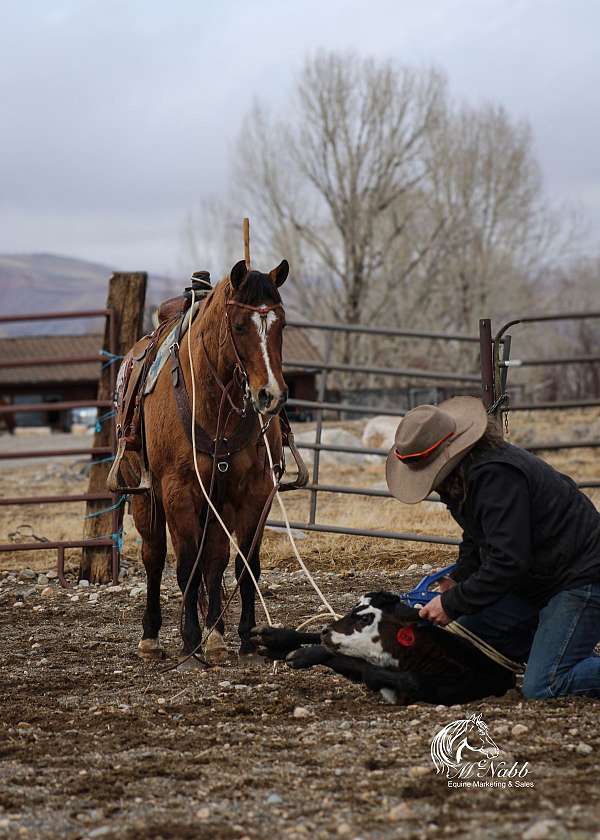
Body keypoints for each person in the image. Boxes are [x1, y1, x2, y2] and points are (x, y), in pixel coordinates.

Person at [385, 396, 600, 700]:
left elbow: (508, 561)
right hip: (541, 579)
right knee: (468, 632)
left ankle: (561, 653)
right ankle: (560, 644)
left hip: (580, 577)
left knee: (543, 685)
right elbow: (477, 537)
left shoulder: (496, 476)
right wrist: (458, 578)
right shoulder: (469, 475)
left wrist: (452, 603)